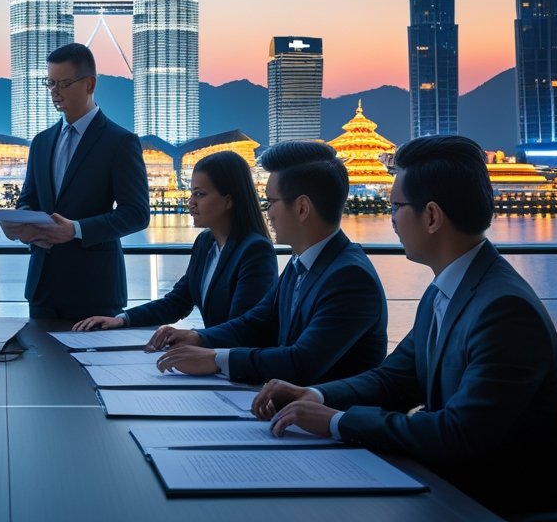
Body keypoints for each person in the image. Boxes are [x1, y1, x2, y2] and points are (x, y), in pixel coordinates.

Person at [252, 135, 557, 515]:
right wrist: (315, 396)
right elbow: (393, 379)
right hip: (442, 482)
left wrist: (338, 422)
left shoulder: (505, 310)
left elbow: (458, 434)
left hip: (483, 502)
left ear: (431, 216)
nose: (391, 219)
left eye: (396, 207)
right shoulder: (447, 290)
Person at [150, 140, 387, 385]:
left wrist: (214, 358)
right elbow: (257, 320)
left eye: (272, 202)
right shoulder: (302, 263)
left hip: (325, 415)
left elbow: (301, 362)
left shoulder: (349, 278)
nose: (267, 212)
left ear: (302, 208)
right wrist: (198, 338)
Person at [2, 43, 149, 320]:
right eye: (50, 83)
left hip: (95, 290)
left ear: (90, 84)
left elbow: (137, 214)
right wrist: (17, 225)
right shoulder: (42, 142)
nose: (54, 92)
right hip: (42, 287)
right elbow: (29, 200)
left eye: (63, 83)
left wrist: (77, 230)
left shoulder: (120, 142)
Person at [72, 150, 276, 332]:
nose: (191, 202)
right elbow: (178, 302)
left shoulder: (255, 250)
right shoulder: (206, 243)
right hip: (209, 357)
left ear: (228, 200)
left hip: (233, 365)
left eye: (200, 194)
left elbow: (243, 327)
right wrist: (122, 319)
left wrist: (192, 338)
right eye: (191, 193)